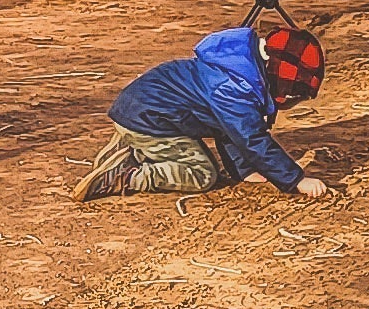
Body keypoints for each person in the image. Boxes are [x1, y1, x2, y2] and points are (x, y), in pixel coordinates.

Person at [73, 23, 328, 201]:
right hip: (148, 122)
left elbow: (228, 130)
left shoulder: (237, 69)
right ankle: (127, 175)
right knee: (202, 175)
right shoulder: (233, 89)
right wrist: (295, 180)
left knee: (210, 155)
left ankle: (133, 148)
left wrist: (245, 172)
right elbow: (252, 140)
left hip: (141, 112)